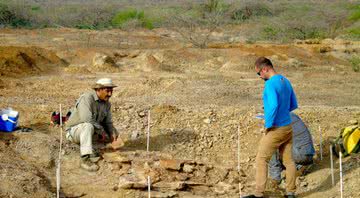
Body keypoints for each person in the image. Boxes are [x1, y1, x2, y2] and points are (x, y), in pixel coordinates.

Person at [243, 57, 298, 198]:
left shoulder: (270, 84)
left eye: (259, 73)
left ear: (265, 69)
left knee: (261, 159)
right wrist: (282, 113)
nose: (260, 76)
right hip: (288, 126)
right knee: (289, 161)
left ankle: (258, 194)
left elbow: (273, 105)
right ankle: (291, 192)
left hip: (276, 128)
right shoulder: (285, 81)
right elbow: (293, 105)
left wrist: (268, 124)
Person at [65, 78, 119, 172]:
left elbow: (108, 122)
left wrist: (111, 132)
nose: (110, 94)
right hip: (74, 132)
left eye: (111, 91)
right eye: (107, 91)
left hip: (91, 132)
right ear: (98, 89)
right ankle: (85, 159)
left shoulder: (107, 104)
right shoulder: (87, 98)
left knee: (113, 131)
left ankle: (98, 149)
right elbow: (87, 119)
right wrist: (102, 132)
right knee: (88, 126)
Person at [268, 113, 315, 186]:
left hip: (299, 154)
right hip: (309, 155)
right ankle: (299, 166)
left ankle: (275, 179)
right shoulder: (291, 116)